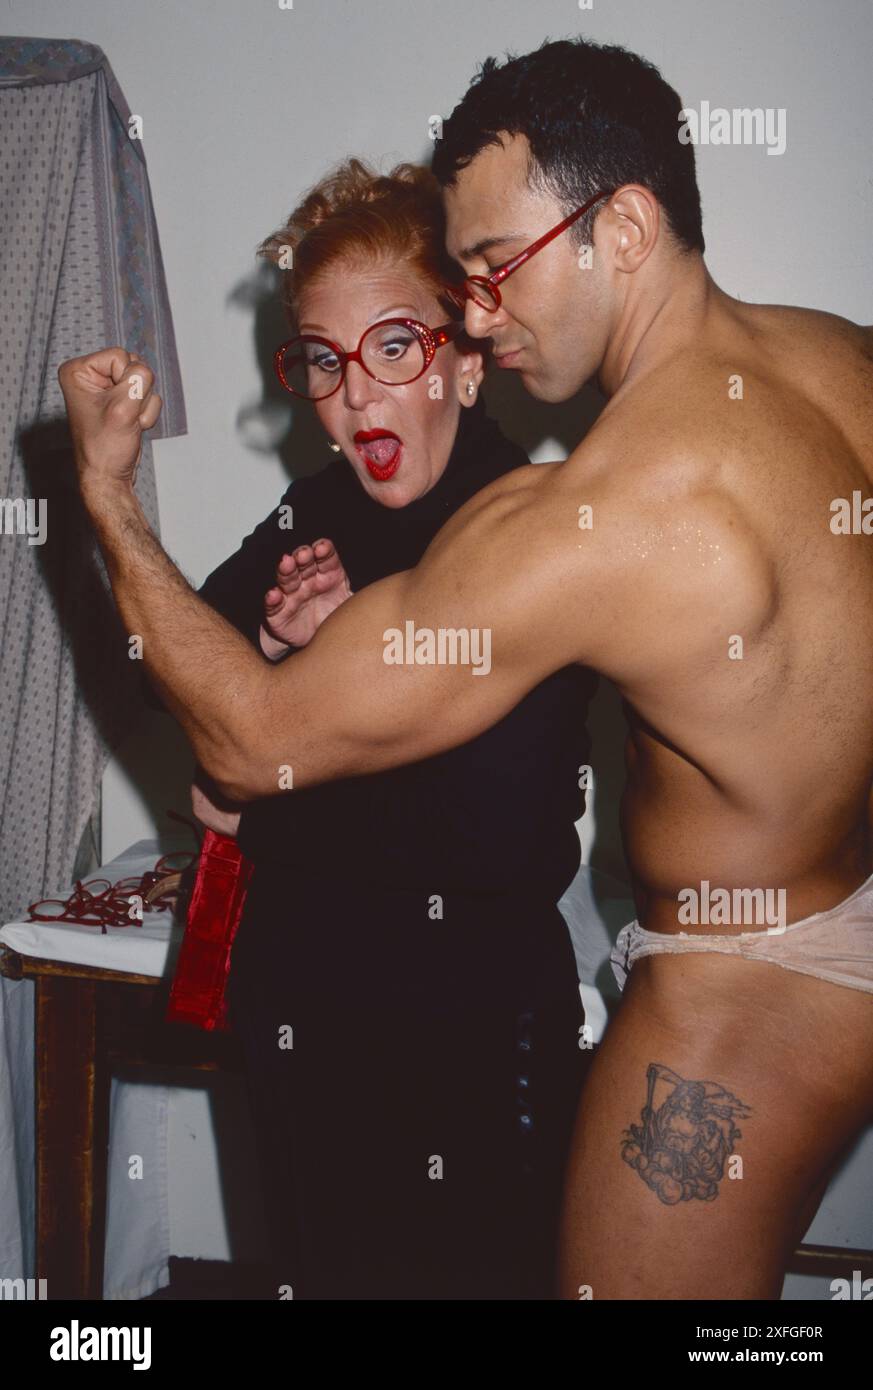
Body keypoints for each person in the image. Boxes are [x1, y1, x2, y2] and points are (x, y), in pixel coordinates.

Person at [60, 36, 873, 1301]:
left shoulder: (581, 519)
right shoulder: (844, 359)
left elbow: (249, 740)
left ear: (625, 227)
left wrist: (104, 496)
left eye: (493, 269)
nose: (480, 309)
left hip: (746, 995)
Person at [165, 159, 595, 1299]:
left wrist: (272, 769)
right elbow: (190, 655)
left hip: (465, 1039)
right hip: (300, 1018)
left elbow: (487, 837)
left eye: (394, 347)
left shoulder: (528, 525)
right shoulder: (321, 500)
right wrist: (263, 658)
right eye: (322, 360)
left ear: (463, 358)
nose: (356, 397)